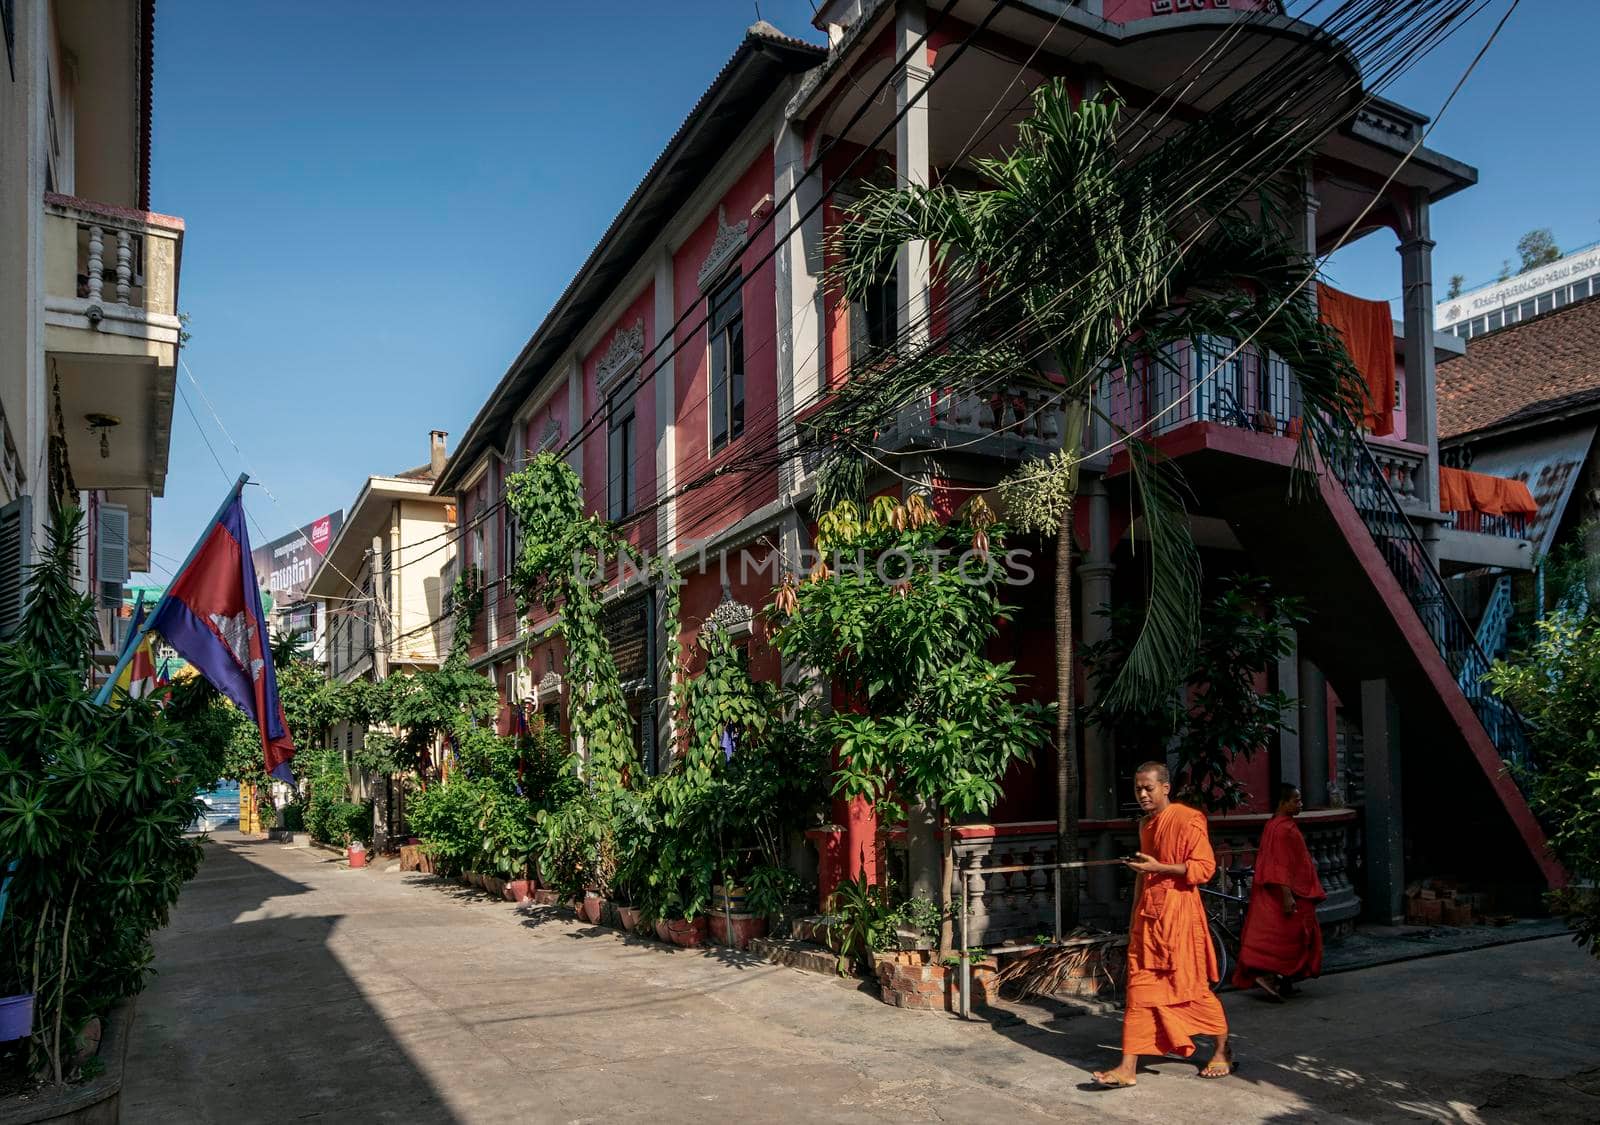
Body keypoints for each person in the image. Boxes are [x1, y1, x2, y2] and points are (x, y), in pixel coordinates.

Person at [1092, 762, 1232, 1088]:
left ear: (1165, 788)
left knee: (1191, 990)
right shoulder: (1146, 824)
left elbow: (1204, 868)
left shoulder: (1187, 818)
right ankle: (1127, 1067)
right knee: (1139, 993)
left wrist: (1161, 867)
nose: (1142, 794)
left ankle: (1223, 1049)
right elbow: (1147, 875)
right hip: (1149, 919)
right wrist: (1133, 921)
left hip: (1180, 918)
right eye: (1138, 788)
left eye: (1148, 788)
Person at [1232, 783, 1326, 1000]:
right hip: (1287, 893)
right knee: (1291, 937)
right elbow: (1279, 866)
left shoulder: (1275, 825)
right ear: (1283, 803)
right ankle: (1269, 976)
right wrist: (1286, 895)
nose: (1300, 804)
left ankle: (1283, 981)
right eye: (1296, 800)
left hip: (1289, 891)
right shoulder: (1282, 829)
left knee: (1286, 936)